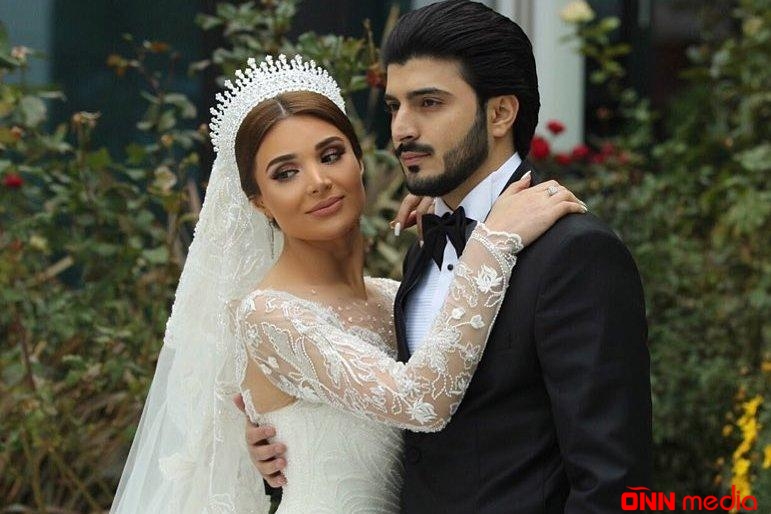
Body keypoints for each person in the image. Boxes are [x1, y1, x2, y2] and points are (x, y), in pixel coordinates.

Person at [110, 52, 584, 513]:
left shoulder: (396, 294)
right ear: (260, 202)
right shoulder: (269, 314)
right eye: (286, 173)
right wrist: (492, 241)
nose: (318, 181)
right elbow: (420, 400)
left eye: (331, 155)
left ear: (359, 161)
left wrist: (456, 216)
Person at [248, 1, 652, 513]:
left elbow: (613, 481)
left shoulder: (575, 254)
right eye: (394, 106)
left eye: (429, 103)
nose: (402, 129)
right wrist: (287, 436)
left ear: (500, 113)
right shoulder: (423, 248)